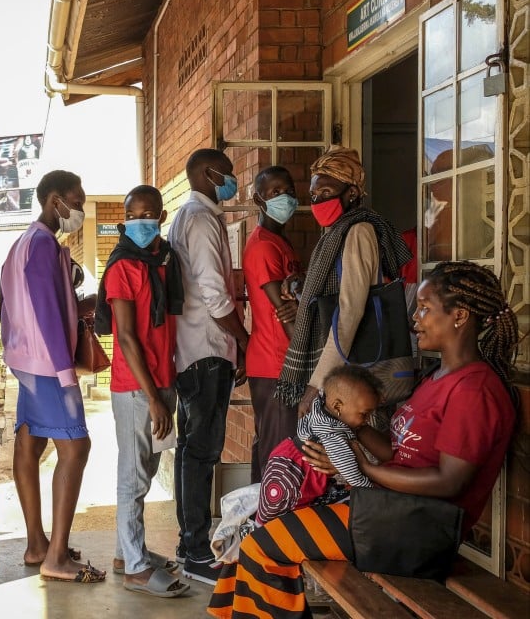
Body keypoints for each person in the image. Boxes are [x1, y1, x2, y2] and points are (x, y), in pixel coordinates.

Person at [208, 260, 519, 618]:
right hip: (384, 508)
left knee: (263, 545)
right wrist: (346, 427)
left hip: (412, 528)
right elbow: (396, 453)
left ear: (460, 316)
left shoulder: (474, 390)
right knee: (257, 529)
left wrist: (358, 468)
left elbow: (448, 482)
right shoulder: (437, 376)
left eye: (425, 308)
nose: (414, 318)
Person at [0, 170, 105, 583]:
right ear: (55, 201)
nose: (79, 209)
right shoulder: (42, 245)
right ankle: (57, 557)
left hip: (26, 360)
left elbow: (19, 306)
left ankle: (37, 544)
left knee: (29, 442)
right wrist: (65, 372)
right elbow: (44, 311)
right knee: (76, 447)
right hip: (47, 364)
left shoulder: (23, 243)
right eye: (76, 201)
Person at [95, 185, 189, 598]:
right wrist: (152, 397)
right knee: (133, 477)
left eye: (148, 214)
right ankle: (135, 568)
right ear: (124, 220)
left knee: (146, 471)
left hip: (162, 380)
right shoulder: (122, 267)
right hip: (137, 387)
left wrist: (165, 388)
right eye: (133, 215)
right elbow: (127, 338)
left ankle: (124, 553)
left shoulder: (164, 262)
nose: (141, 221)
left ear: (162, 216)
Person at [275, 148, 411, 421]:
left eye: (326, 192)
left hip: (355, 371)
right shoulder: (334, 234)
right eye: (314, 195)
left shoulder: (359, 230)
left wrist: (316, 384)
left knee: (351, 451)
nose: (318, 201)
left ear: (352, 193)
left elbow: (349, 311)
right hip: (345, 368)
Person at [167, 148, 250, 584]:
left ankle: (190, 543)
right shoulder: (199, 219)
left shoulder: (194, 217)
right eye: (228, 174)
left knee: (193, 451)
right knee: (200, 452)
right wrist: (244, 339)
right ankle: (196, 548)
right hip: (206, 349)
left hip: (200, 349)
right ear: (206, 172)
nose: (231, 180)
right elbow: (216, 296)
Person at [255, 365, 380, 525]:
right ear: (337, 406)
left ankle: (260, 528)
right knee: (282, 516)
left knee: (272, 505)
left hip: (286, 455)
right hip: (299, 476)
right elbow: (350, 472)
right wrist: (373, 492)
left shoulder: (320, 404)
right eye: (364, 414)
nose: (367, 420)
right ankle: (265, 535)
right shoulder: (333, 435)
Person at [243, 166, 302, 481]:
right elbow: (284, 311)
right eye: (275, 192)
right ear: (258, 199)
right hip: (276, 363)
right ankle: (268, 525)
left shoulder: (280, 241)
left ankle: (262, 524)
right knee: (278, 454)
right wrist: (305, 361)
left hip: (279, 361)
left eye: (289, 190)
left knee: (275, 448)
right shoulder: (265, 246)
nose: (285, 197)